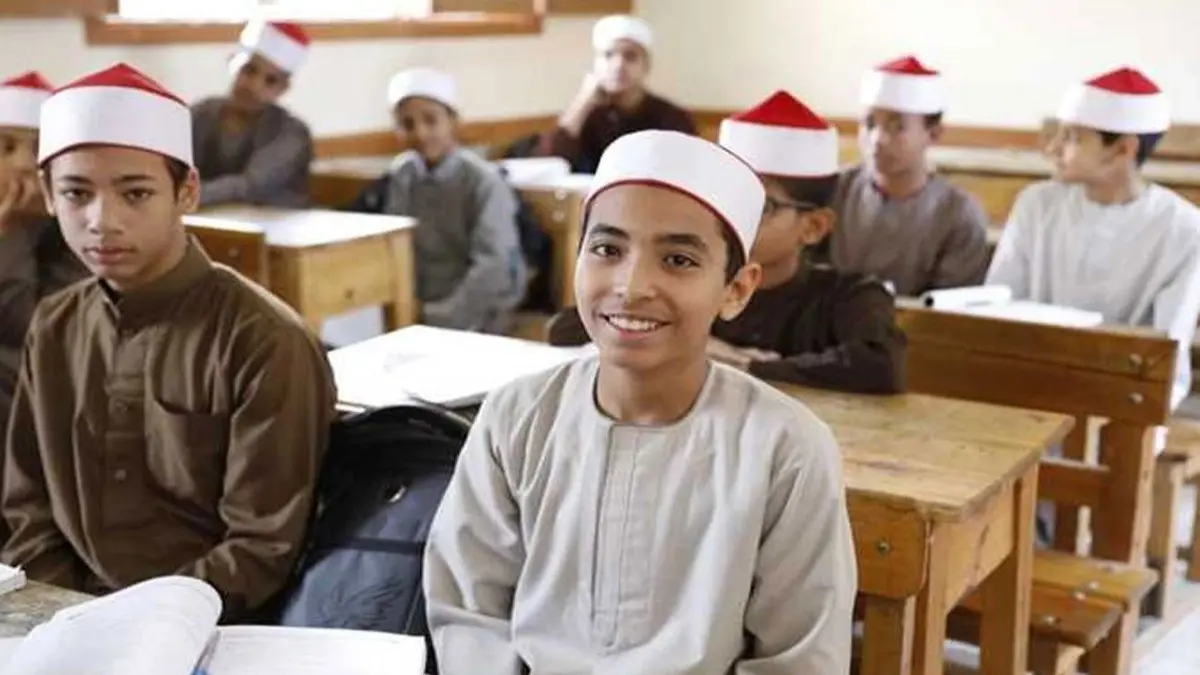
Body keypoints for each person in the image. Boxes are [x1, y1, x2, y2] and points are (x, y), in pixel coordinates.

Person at [425, 130, 856, 674]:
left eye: (678, 259)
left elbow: (800, 659)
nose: (631, 286)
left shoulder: (786, 450)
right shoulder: (515, 418)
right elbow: (469, 614)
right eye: (608, 250)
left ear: (736, 289)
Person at [2, 63, 337, 620]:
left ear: (187, 192)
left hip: (212, 625)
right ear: (48, 196)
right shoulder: (56, 325)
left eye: (135, 193)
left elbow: (260, 549)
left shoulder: (263, 339)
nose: (102, 221)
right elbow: (28, 511)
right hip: (66, 618)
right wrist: (66, 613)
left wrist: (132, 625)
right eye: (76, 193)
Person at [548, 91, 906, 394]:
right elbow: (566, 329)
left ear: (813, 227)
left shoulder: (850, 297)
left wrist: (744, 366)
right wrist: (701, 349)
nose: (735, 218)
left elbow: (879, 367)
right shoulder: (692, 282)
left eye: (760, 207)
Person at [988, 67, 1200, 411]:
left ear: (1122, 149)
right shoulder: (1036, 204)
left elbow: (1166, 354)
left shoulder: (1184, 229)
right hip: (1026, 391)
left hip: (1123, 408)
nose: (1053, 148)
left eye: (1072, 137)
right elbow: (997, 306)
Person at [354, 67, 527, 334]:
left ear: (453, 121)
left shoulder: (483, 181)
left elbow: (493, 268)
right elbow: (398, 249)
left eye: (431, 120)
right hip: (416, 307)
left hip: (477, 311)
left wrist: (434, 316)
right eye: (407, 124)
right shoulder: (403, 174)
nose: (420, 133)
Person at [818, 55, 990, 296]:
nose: (877, 139)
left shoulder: (958, 214)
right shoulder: (834, 191)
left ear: (934, 134)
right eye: (869, 124)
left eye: (897, 126)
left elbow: (949, 308)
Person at [0, 71, 86, 450]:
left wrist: (11, 231)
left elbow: (27, 329)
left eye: (36, 149)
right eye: (5, 147)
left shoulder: (77, 233)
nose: (22, 165)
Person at [536, 14, 695, 174]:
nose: (618, 65)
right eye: (608, 55)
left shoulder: (671, 118)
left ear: (646, 66)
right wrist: (583, 100)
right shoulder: (587, 115)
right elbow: (550, 163)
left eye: (630, 56)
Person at [191, 20, 314, 208]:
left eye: (270, 81)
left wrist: (185, 197)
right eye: (249, 70)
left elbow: (250, 187)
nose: (254, 86)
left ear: (283, 88)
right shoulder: (202, 113)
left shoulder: (291, 133)